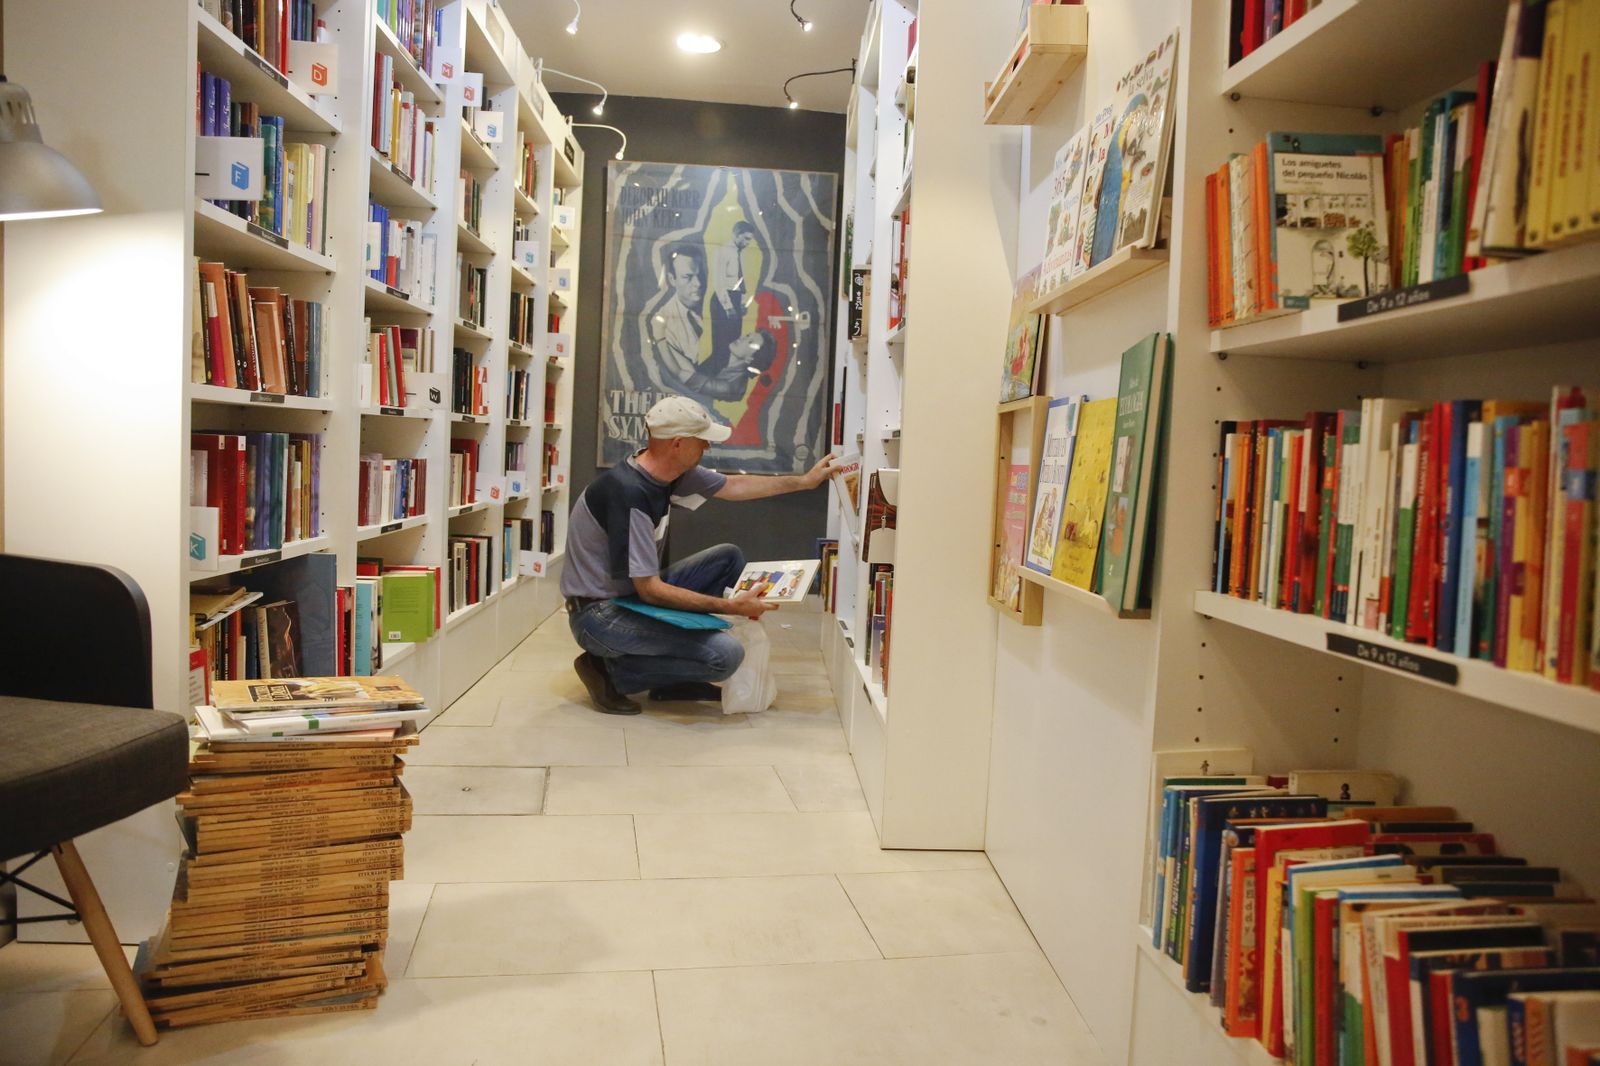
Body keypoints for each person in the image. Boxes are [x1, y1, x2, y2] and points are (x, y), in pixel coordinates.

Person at [561, 395, 836, 714]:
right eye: (702, 440)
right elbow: (649, 590)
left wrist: (804, 482)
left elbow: (733, 487)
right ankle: (609, 673)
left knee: (727, 558)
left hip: (629, 595)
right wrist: (730, 606)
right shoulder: (628, 494)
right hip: (598, 615)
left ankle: (671, 675)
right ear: (677, 443)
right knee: (725, 656)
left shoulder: (667, 473)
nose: (707, 447)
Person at [649, 244, 756, 404]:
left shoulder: (720, 305)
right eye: (688, 277)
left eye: (701, 275)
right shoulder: (664, 325)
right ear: (672, 280)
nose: (698, 283)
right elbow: (689, 379)